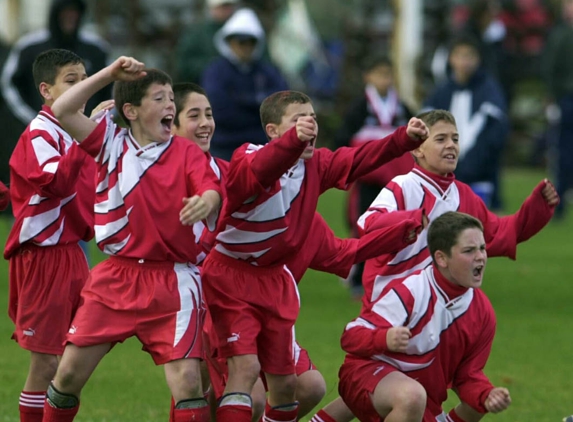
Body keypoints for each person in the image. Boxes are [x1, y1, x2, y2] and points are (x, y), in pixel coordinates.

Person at [171, 82, 423, 422]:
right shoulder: (249, 155)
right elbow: (256, 173)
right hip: (228, 282)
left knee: (293, 386)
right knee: (245, 382)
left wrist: (403, 139)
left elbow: (357, 162)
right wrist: (293, 142)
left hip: (273, 287)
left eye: (313, 119)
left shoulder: (313, 171)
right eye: (298, 120)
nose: (310, 126)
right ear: (273, 131)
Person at [40, 57, 222, 422]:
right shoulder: (109, 142)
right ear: (132, 111)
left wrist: (206, 202)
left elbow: (210, 186)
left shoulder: (184, 150)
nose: (170, 105)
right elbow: (62, 108)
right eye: (159, 98)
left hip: (174, 280)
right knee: (68, 375)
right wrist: (109, 74)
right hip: (116, 279)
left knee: (188, 382)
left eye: (172, 98)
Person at [358, 109, 559, 307]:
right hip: (393, 304)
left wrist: (537, 208)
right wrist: (411, 220)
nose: (451, 145)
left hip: (440, 309)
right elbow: (369, 224)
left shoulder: (463, 194)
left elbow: (499, 233)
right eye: (440, 139)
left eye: (455, 139)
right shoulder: (403, 186)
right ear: (417, 149)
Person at [338, 211, 512, 421]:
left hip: (421, 397)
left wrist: (487, 394)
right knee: (411, 396)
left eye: (482, 248)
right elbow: (351, 336)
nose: (480, 257)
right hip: (365, 376)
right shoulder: (412, 290)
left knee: (477, 404)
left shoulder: (483, 311)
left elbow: (467, 375)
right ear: (441, 258)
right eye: (469, 250)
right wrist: (384, 338)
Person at [4, 48, 96, 422]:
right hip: (44, 255)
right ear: (47, 91)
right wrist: (86, 142)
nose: (82, 89)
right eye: (72, 82)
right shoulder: (42, 131)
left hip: (74, 251)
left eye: (85, 80)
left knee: (72, 363)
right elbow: (55, 181)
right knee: (47, 363)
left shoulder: (75, 130)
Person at [334, 54, 414, 300]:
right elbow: (343, 137)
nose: (384, 79)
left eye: (387, 74)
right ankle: (358, 276)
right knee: (364, 225)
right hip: (368, 178)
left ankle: (393, 273)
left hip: (395, 178)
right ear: (368, 77)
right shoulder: (360, 107)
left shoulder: (402, 107)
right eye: (379, 74)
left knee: (394, 224)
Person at [423, 35, 508, 210]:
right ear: (451, 58)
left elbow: (496, 131)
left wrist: (473, 162)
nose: (464, 61)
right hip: (444, 174)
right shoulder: (441, 92)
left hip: (481, 174)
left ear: (478, 59)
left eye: (469, 56)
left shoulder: (489, 91)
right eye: (459, 55)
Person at [1, 0, 110, 126]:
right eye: (66, 12)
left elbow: (112, 85)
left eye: (74, 12)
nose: (70, 17)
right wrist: (32, 119)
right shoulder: (30, 48)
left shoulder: (96, 49)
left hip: (87, 132)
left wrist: (97, 120)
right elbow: (10, 84)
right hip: (41, 130)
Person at [201, 7, 289, 160]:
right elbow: (219, 111)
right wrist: (257, 104)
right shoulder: (215, 72)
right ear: (230, 41)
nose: (246, 47)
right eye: (241, 41)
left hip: (262, 147)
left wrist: (240, 101)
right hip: (224, 148)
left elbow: (282, 106)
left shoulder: (268, 72)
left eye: (251, 41)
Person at [542, 0, 573, 219]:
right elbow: (550, 69)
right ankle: (559, 202)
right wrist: (552, 97)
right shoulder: (560, 35)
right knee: (564, 153)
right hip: (567, 100)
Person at [175, 0, 240, 84]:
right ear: (212, 9)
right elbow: (183, 64)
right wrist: (212, 67)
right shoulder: (197, 33)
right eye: (224, 7)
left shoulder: (240, 31)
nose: (228, 11)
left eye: (230, 7)